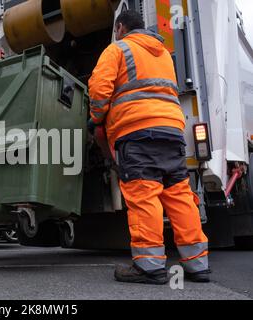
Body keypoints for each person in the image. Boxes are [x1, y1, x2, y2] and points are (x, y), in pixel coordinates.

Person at [88, 10, 210, 284]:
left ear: (120, 27)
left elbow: (99, 91)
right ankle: (197, 264)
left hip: (137, 131)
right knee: (179, 194)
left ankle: (150, 266)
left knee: (144, 194)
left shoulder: (117, 49)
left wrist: (96, 119)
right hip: (172, 131)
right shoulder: (163, 53)